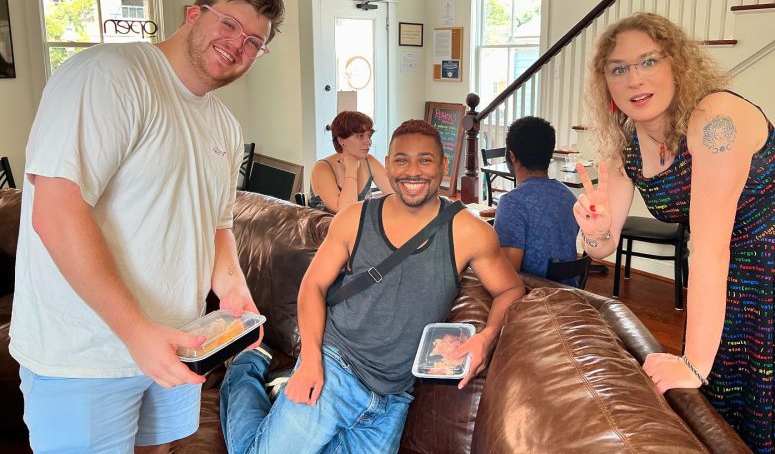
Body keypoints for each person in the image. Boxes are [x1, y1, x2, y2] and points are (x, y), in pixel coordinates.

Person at [10, 0, 285, 453]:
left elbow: (216, 224)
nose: (237, 45)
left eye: (253, 42)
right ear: (193, 14)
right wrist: (137, 333)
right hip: (86, 355)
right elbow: (55, 213)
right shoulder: (108, 74)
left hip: (177, 344)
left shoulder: (224, 125)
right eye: (229, 24)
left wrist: (233, 290)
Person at [220, 119, 524, 454]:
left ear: (443, 165)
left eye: (424, 160)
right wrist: (310, 361)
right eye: (401, 160)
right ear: (388, 164)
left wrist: (487, 337)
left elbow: (510, 290)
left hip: (393, 399)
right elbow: (313, 285)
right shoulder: (353, 219)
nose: (412, 171)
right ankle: (245, 366)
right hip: (334, 367)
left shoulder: (469, 232)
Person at [575, 12, 775, 454]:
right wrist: (593, 232)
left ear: (676, 63)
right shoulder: (625, 147)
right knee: (728, 412)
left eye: (649, 61)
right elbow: (603, 248)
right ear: (606, 85)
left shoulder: (717, 119)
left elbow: (710, 250)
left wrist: (693, 363)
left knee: (752, 399)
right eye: (618, 69)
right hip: (734, 276)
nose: (634, 79)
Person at [493, 116, 580, 286]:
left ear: (511, 156)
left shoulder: (512, 202)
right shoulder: (569, 196)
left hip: (533, 294)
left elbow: (508, 273)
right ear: (549, 155)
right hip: (569, 292)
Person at [308, 110, 393, 213]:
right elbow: (345, 212)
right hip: (331, 223)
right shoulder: (321, 168)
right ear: (341, 140)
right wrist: (351, 170)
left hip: (362, 223)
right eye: (360, 136)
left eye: (369, 136)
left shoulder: (369, 161)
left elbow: (396, 195)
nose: (369, 142)